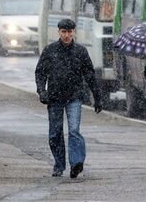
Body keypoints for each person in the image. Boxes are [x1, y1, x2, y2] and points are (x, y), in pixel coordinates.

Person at [35, 18, 102, 179]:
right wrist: (41, 91)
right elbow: (40, 72)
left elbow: (90, 75)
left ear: (74, 32)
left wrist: (97, 96)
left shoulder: (80, 51)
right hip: (54, 97)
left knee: (73, 130)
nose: (66, 35)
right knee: (55, 133)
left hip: (74, 97)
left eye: (69, 32)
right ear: (59, 32)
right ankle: (59, 164)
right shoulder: (50, 50)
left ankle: (76, 163)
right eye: (63, 32)